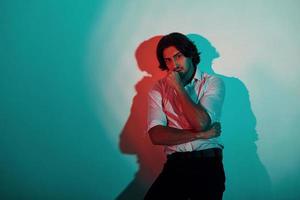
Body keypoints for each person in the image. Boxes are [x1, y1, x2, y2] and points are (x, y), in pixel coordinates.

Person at [144, 32, 226, 200]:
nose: (174, 65)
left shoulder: (213, 82)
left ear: (190, 55)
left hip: (208, 165)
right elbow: (156, 135)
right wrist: (199, 135)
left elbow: (201, 123)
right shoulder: (158, 88)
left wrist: (178, 88)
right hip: (175, 165)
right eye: (168, 60)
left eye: (178, 56)